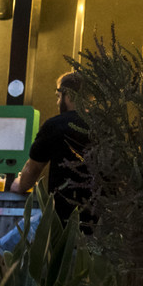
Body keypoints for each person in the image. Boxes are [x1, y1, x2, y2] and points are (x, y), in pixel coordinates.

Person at [9, 71, 92, 228]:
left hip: (61, 218)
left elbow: (32, 169)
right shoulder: (106, 126)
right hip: (100, 221)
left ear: (67, 95)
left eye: (58, 96)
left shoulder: (55, 125)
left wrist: (19, 185)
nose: (57, 102)